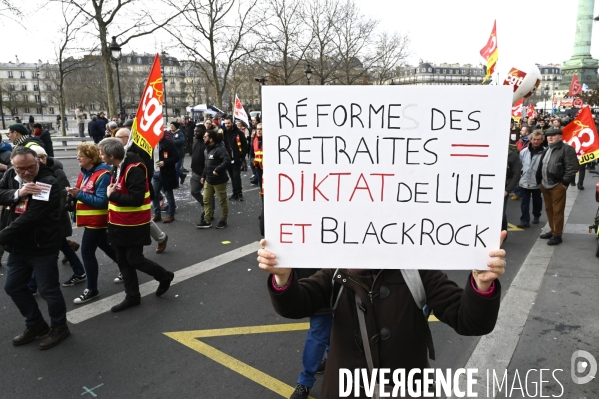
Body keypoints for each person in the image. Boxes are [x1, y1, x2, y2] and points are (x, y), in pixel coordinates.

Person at [257, 233, 506, 399]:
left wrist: (481, 285)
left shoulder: (418, 271)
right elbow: (295, 305)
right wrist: (282, 278)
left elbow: (470, 320)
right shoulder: (337, 271)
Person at [0, 146, 70, 349]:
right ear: (13, 165)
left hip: (42, 246)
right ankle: (36, 324)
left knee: (48, 290)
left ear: (38, 162)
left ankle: (59, 327)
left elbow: (31, 218)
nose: (26, 172)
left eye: (31, 167)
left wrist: (1, 237)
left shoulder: (47, 182)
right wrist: (18, 192)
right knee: (12, 287)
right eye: (21, 168)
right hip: (18, 247)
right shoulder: (12, 175)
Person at [99, 138, 175, 312]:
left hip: (133, 223)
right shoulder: (117, 166)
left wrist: (112, 196)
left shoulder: (134, 169)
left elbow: (136, 199)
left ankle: (165, 276)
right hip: (118, 222)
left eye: (102, 153)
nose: (100, 156)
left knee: (134, 259)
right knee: (122, 260)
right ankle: (132, 296)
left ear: (111, 155)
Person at [66, 143, 118, 304]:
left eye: (80, 156)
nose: (78, 158)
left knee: (87, 252)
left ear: (90, 157)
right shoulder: (85, 172)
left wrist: (79, 194)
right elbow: (84, 193)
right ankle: (127, 267)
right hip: (91, 220)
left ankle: (92, 289)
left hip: (98, 220)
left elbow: (102, 202)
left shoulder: (103, 174)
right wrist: (73, 197)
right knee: (106, 246)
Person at [115, 125, 168, 254]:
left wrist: (137, 184)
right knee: (135, 217)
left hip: (137, 188)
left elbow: (147, 169)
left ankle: (160, 238)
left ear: (127, 138)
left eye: (118, 137)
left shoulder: (140, 149)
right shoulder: (119, 149)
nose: (115, 140)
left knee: (141, 217)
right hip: (122, 186)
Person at [536, 128, 579, 245]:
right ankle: (553, 230)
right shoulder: (547, 149)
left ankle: (557, 235)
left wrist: (564, 184)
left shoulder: (567, 149)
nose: (550, 137)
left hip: (557, 185)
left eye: (553, 135)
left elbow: (572, 168)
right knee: (549, 210)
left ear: (560, 137)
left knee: (558, 211)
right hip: (545, 185)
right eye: (548, 135)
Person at [197, 129, 230, 229]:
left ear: (211, 139)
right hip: (208, 180)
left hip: (219, 181)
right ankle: (207, 220)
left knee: (222, 201)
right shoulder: (207, 149)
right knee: (206, 200)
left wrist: (218, 170)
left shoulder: (220, 149)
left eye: (205, 137)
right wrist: (203, 176)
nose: (203, 138)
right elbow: (206, 165)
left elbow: (227, 160)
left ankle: (223, 220)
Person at [517, 131, 544, 228]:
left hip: (537, 181)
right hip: (525, 180)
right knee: (525, 201)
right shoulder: (523, 152)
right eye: (534, 139)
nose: (536, 141)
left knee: (537, 200)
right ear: (531, 140)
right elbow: (519, 165)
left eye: (538, 140)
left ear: (541, 140)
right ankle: (524, 220)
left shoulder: (545, 152)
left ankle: (536, 215)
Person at [152, 130, 179, 224]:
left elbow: (176, 157)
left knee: (168, 194)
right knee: (154, 194)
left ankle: (171, 215)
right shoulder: (151, 144)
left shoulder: (168, 144)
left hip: (166, 173)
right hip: (155, 173)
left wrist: (165, 162)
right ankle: (157, 214)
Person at [223, 116, 247, 201]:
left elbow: (244, 145)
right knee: (232, 177)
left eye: (228, 123)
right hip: (228, 159)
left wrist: (241, 157)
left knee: (236, 175)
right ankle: (234, 193)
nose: (227, 125)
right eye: (226, 123)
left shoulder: (239, 133)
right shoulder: (223, 133)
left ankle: (239, 193)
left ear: (232, 123)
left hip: (237, 158)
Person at [190, 123, 207, 224]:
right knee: (194, 191)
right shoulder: (195, 140)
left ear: (204, 132)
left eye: (197, 131)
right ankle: (205, 205)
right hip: (195, 172)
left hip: (205, 174)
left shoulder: (207, 143)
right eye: (195, 131)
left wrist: (205, 174)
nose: (195, 133)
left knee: (208, 195)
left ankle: (208, 212)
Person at [503, 144, 522, 232]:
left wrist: (507, 190)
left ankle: (503, 233)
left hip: (504, 187)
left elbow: (516, 174)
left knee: (501, 213)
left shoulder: (513, 156)